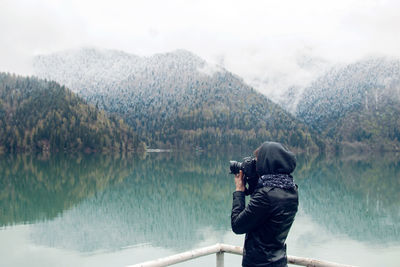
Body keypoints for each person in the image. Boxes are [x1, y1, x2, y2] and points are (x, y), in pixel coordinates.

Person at [231, 141, 298, 267]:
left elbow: (237, 225)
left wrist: (239, 190)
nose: (256, 165)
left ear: (267, 163)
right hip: (279, 261)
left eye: (258, 161)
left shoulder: (266, 195)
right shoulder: (291, 189)